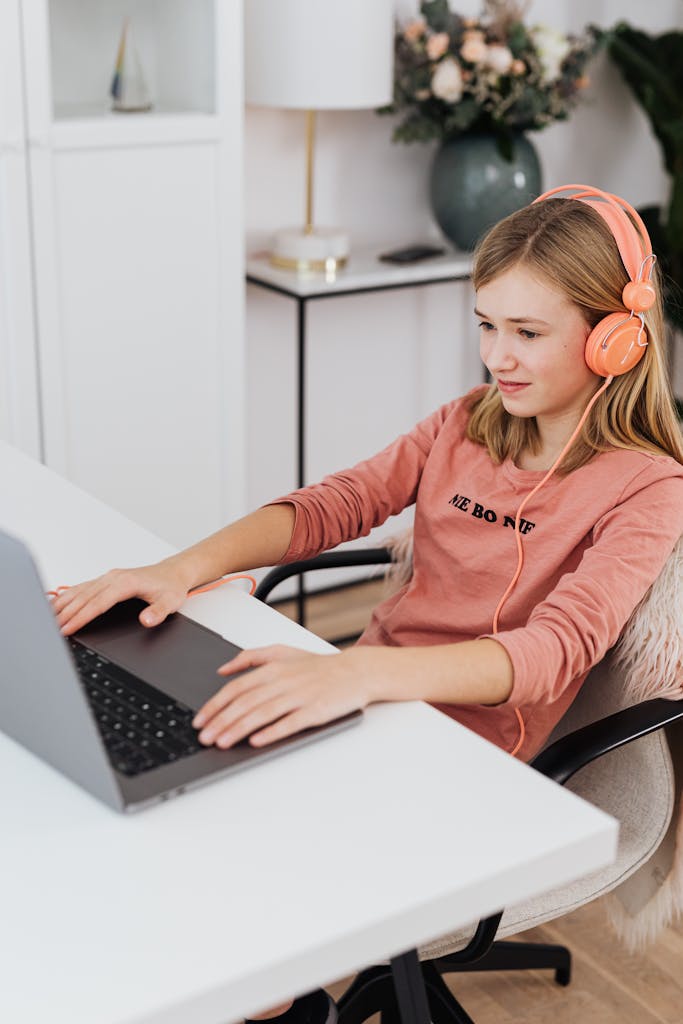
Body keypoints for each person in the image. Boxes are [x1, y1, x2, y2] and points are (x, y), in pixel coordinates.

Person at [52, 185, 683, 1024]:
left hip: (461, 756)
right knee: (159, 823)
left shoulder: (647, 487)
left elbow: (550, 656)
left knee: (242, 945)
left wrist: (358, 674)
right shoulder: (467, 422)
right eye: (487, 326)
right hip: (360, 702)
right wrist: (177, 568)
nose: (499, 357)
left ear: (614, 338)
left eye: (529, 333)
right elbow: (332, 505)